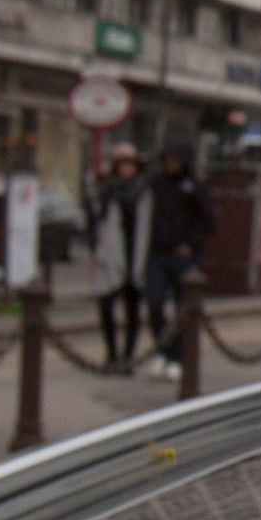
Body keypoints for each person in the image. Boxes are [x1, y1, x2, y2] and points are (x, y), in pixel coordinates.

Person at [144, 148, 213, 373]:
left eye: (175, 160)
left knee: (183, 307)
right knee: (154, 303)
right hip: (158, 253)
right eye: (168, 160)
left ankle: (178, 357)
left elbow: (208, 221)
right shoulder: (156, 184)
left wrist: (191, 244)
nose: (171, 164)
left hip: (183, 256)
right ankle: (164, 350)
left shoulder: (194, 187)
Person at [88, 148, 150, 374]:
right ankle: (111, 354)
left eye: (130, 164)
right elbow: (94, 221)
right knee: (106, 306)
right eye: (121, 164)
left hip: (136, 254)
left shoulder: (143, 191)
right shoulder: (106, 191)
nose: (126, 169)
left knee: (133, 310)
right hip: (111, 254)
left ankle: (128, 356)